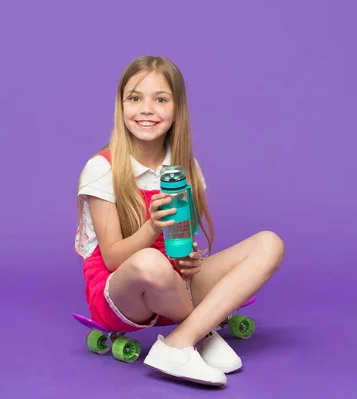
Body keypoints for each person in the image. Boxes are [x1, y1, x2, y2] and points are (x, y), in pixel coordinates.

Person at [75, 55, 285, 386]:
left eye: (160, 99)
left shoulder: (185, 168)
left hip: (172, 284)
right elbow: (114, 258)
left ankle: (180, 340)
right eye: (135, 98)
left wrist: (189, 258)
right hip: (121, 291)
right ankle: (201, 332)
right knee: (149, 261)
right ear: (121, 105)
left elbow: (181, 242)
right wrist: (151, 227)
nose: (146, 109)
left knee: (269, 244)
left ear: (177, 110)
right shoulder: (102, 168)